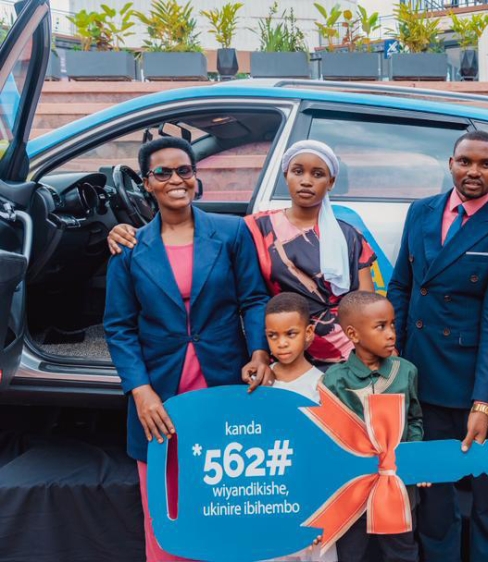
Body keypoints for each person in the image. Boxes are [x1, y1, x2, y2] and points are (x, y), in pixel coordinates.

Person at [103, 137, 272, 562]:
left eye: (184, 170)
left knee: (226, 504)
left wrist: (258, 353)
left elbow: (253, 298)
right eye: (163, 172)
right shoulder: (129, 249)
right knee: (166, 511)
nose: (176, 179)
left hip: (225, 385)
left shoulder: (232, 233)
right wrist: (139, 391)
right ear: (147, 184)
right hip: (159, 395)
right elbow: (119, 327)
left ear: (196, 178)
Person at [108, 140, 376, 367]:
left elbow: (367, 307)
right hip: (284, 349)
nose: (306, 181)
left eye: (317, 174)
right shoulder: (255, 227)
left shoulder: (349, 236)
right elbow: (202, 235)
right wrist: (124, 231)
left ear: (331, 182)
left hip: (344, 353)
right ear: (286, 176)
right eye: (298, 171)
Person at [387, 130, 488, 562]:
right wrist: (394, 362)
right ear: (451, 164)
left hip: (473, 380)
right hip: (421, 372)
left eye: (485, 164)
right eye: (465, 161)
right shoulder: (420, 212)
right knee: (434, 496)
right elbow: (402, 287)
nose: (473, 171)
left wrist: (484, 402)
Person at [322, 291, 425, 562]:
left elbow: (414, 419)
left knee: (401, 552)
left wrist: (415, 460)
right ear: (353, 335)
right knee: (351, 553)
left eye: (392, 324)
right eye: (381, 326)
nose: (391, 333)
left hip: (397, 487)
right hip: (353, 491)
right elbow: (330, 437)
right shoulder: (333, 381)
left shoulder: (406, 372)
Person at [262, 291, 339, 562]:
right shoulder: (259, 388)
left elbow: (330, 455)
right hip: (270, 504)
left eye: (290, 334)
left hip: (313, 503)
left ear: (308, 333)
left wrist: (327, 515)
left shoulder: (323, 386)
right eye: (273, 336)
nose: (281, 343)